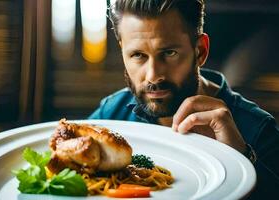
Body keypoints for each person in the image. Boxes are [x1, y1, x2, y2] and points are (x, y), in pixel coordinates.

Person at [88, 0, 279, 198]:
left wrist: (242, 158)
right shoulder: (110, 113)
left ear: (200, 51)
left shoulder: (259, 130)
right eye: (138, 55)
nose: (153, 75)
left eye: (169, 53)